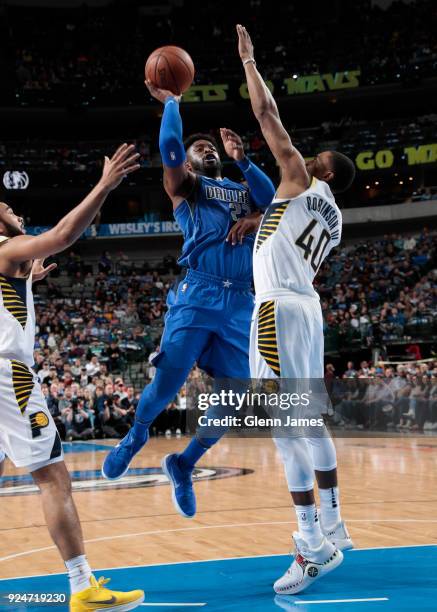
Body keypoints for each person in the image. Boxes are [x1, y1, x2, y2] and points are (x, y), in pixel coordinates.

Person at [102, 80, 276, 520]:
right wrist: (173, 104)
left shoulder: (242, 188)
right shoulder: (187, 186)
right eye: (201, 148)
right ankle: (136, 435)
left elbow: (275, 203)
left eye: (211, 147)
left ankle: (183, 463)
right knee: (167, 385)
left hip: (242, 303)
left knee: (233, 398)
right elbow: (173, 148)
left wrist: (246, 167)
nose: (207, 149)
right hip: (198, 292)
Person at [236, 24, 355, 595]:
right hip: (306, 311)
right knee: (309, 422)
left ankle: (312, 545)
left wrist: (251, 64)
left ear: (323, 171)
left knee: (284, 431)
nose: (304, 155)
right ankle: (333, 524)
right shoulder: (335, 217)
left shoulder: (301, 179)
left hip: (277, 310)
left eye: (316, 157)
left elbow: (268, 115)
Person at [0, 144, 145, 611]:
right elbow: (62, 234)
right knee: (53, 479)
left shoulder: (12, 266)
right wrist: (104, 185)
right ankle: (82, 587)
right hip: (9, 377)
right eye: (7, 209)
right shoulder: (5, 250)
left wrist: (27, 281)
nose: (15, 211)